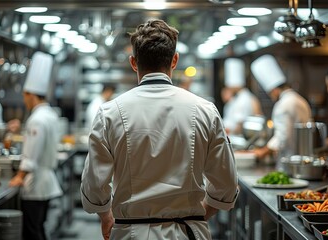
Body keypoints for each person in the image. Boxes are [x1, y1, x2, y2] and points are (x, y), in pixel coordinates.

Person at [80, 19, 239, 240]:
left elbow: (94, 186)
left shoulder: (109, 113)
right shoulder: (206, 111)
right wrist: (199, 215)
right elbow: (227, 185)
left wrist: (106, 217)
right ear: (174, 60)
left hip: (130, 233)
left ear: (133, 62)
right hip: (188, 233)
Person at [9, 52, 62, 240]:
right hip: (47, 182)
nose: (24, 100)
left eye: (25, 95)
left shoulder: (37, 119)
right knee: (39, 228)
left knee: (32, 232)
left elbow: (31, 155)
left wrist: (20, 176)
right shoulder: (50, 114)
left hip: (36, 185)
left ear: (30, 94)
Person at [250, 54, 312, 166]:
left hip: (289, 162)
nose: (271, 96)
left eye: (270, 93)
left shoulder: (282, 105)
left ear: (274, 90)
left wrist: (262, 152)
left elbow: (282, 138)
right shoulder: (300, 100)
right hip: (305, 159)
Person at [222, 58, 263, 135]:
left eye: (229, 85)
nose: (227, 87)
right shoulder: (238, 98)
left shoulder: (243, 99)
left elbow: (239, 125)